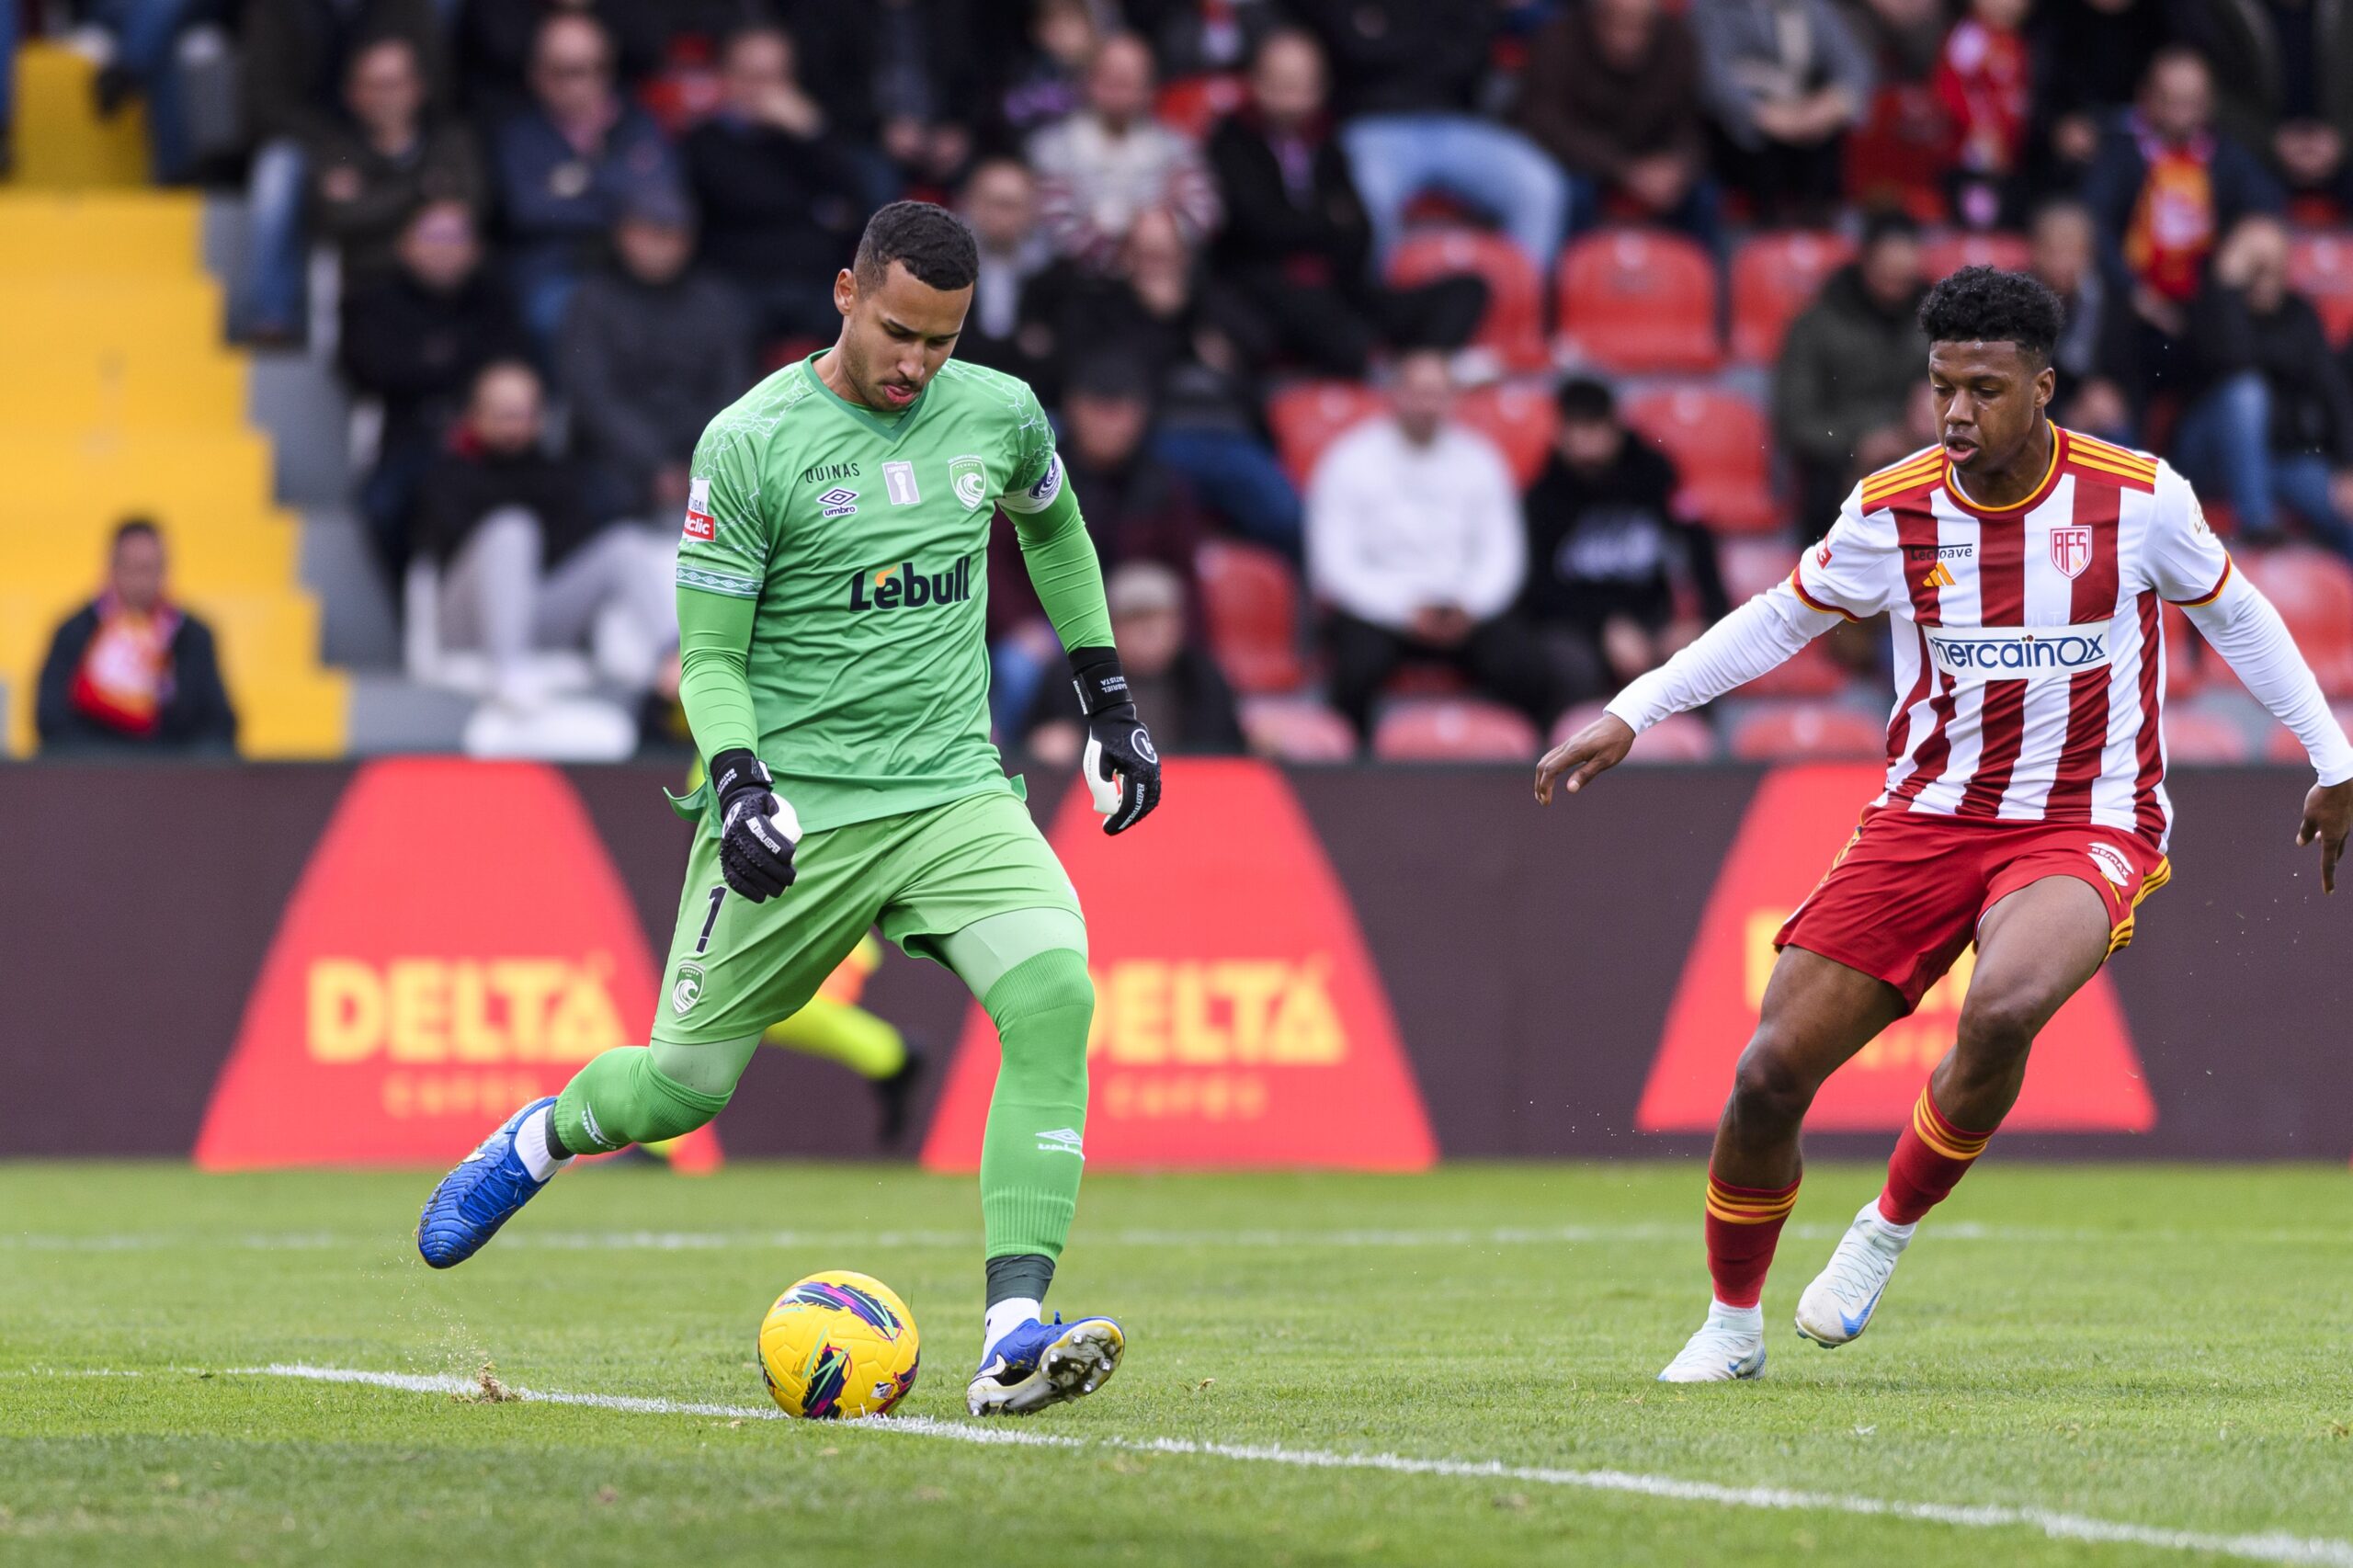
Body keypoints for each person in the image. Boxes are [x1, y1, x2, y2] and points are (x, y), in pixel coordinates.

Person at [1533, 266, 2353, 1383]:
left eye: (1983, 388)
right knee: (1768, 1072)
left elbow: (2239, 615)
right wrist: (1635, 709)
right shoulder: (1892, 507)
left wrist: (2332, 758)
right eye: (1942, 388)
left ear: (2043, 388)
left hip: (2086, 816)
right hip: (1926, 818)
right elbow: (1779, 618)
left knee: (2003, 1004)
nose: (1957, 412)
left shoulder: (2139, 497)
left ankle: (1881, 1232)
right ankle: (1731, 1324)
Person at [415, 202, 1164, 1424]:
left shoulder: (1001, 413)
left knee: (1056, 993)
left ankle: (1015, 1332)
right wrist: (744, 784)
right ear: (844, 294)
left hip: (951, 790)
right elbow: (706, 659)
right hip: (796, 807)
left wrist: (1109, 699)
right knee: (682, 1087)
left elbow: (1057, 528)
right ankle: (542, 1136)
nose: (920, 363)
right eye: (901, 331)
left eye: (944, 338)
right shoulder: (750, 442)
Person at [1306, 348, 1558, 744]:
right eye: (1418, 391)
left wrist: (1469, 604)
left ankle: (1527, 777)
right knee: (1354, 670)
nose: (1427, 404)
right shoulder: (1349, 459)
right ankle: (1353, 781)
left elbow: (1503, 554)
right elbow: (1334, 564)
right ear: (1394, 393)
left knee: (1529, 668)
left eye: (1438, 392)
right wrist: (1404, 609)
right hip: (1379, 607)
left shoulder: (1481, 459)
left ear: (1454, 398)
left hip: (1464, 607)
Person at [1206, 28, 1489, 378]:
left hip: (1339, 288)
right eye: (1280, 83)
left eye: (1301, 84)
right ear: (1256, 82)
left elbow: (1360, 232)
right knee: (1302, 302)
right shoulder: (1229, 142)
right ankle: (1380, 369)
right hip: (1265, 294)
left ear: (1320, 88)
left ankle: (1421, 370)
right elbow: (1258, 229)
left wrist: (1315, 226)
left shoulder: (1329, 143)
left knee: (1468, 290)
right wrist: (1327, 221)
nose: (1291, 97)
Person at [412, 360, 677, 702]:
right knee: (512, 529)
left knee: (623, 545)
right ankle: (507, 674)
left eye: (523, 414)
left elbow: (573, 544)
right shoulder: (448, 474)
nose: (514, 427)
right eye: (503, 414)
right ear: (475, 415)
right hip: (468, 621)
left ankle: (678, 662)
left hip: (537, 618)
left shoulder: (556, 474)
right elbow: (448, 543)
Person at [1293, 0, 1570, 271]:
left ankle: (1520, 305)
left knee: (1538, 187)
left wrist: (1394, 43)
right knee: (1367, 196)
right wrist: (1415, 45)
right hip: (1373, 125)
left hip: (1458, 123)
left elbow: (1471, 57)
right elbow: (1356, 50)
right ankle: (1376, 306)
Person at [340, 200, 532, 572]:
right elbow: (369, 370)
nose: (444, 248)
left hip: (491, 450)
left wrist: (429, 360)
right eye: (432, 236)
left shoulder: (495, 299)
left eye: (455, 237)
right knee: (381, 510)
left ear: (476, 249)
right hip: (410, 442)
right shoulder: (376, 300)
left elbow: (513, 368)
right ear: (404, 244)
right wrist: (454, 363)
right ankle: (396, 618)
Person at [2083, 48, 2282, 404]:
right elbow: (2092, 224)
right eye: (2169, 100)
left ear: (2208, 104)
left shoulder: (2225, 157)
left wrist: (2241, 260)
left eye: (2191, 101)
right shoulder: (2121, 153)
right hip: (2134, 318)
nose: (2180, 113)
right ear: (2146, 97)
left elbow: (2267, 207)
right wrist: (2135, 292)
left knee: (2244, 388)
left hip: (2203, 319)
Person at [555, 184, 753, 528]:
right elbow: (592, 396)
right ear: (622, 234)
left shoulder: (716, 301)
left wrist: (696, 465)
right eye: (650, 233)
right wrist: (654, 466)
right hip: (617, 459)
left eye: (673, 234)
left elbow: (732, 390)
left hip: (703, 455)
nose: (662, 246)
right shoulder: (592, 301)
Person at [1521, 379, 1729, 703]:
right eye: (1578, 431)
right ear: (1561, 434)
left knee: (1692, 664)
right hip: (1574, 624)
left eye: (1596, 429)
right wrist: (1605, 625)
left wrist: (1708, 618)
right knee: (1570, 668)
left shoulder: (1654, 473)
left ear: (1615, 428)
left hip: (1651, 619)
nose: (1587, 444)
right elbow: (1539, 587)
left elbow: (1697, 541)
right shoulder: (1543, 497)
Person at [488, 11, 682, 344]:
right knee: (570, 317)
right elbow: (529, 210)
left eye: (598, 68)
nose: (585, 83)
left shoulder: (638, 124)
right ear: (538, 74)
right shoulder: (519, 135)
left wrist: (580, 183)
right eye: (569, 72)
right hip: (559, 271)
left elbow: (667, 198)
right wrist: (622, 200)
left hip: (641, 271)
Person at [2174, 215, 2353, 560]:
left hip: (2278, 460)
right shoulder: (2210, 307)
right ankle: (2257, 524)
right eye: (2255, 266)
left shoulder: (2299, 313)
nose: (2266, 278)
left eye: (2274, 266)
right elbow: (2232, 357)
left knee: (2343, 506)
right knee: (2246, 391)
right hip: (2208, 458)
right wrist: (2226, 288)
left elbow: (2333, 390)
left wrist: (2347, 466)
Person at [680, 22, 870, 345]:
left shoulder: (811, 137)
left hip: (813, 278)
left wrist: (813, 134)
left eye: (777, 77)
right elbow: (738, 198)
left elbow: (858, 204)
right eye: (753, 77)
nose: (766, 90)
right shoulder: (705, 140)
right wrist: (808, 205)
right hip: (738, 281)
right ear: (726, 78)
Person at [1774, 210, 1929, 538]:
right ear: (1866, 262)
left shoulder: (1936, 324)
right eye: (1888, 274)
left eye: (1904, 278)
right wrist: (1859, 443)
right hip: (1839, 463)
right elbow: (1796, 421)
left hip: (1923, 452)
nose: (1896, 288)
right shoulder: (1815, 325)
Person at [1518, 0, 1720, 249]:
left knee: (1704, 196)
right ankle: (1567, 282)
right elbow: (1545, 123)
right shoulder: (1558, 38)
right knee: (1574, 193)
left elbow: (1689, 123)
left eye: (1638, 28)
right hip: (1582, 159)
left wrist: (1679, 165)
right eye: (1616, 25)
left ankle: (1699, 284)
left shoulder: (1679, 43)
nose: (1627, 40)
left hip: (1650, 157)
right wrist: (1623, 169)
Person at [36, 518, 237, 755]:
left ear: (165, 571)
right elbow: (49, 718)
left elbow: (221, 722)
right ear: (112, 569)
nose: (141, 582)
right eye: (132, 568)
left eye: (149, 569)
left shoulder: (192, 636)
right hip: (96, 770)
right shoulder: (75, 631)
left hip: (170, 771)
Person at [302, 35, 486, 289]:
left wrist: (379, 201)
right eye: (374, 85)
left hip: (458, 286)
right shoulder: (335, 150)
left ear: (420, 87)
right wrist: (420, 191)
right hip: (373, 285)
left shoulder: (451, 141)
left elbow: (473, 205)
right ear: (352, 93)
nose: (385, 97)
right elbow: (338, 219)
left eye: (394, 84)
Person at [1027, 31, 1220, 271]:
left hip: (1162, 275)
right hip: (1078, 283)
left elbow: (1203, 213)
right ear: (1088, 81)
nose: (1118, 88)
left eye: (1128, 80)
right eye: (1109, 78)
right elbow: (1055, 226)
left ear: (1149, 88)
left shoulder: (1178, 148)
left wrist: (1156, 233)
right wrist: (1122, 255)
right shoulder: (1050, 148)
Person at [1021, 561, 1244, 764]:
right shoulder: (1070, 676)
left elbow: (1229, 748)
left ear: (1179, 625)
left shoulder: (1202, 677)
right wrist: (1045, 745)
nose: (1149, 631)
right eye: (1135, 619)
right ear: (1108, 627)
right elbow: (1030, 743)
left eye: (1159, 618)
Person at [1690, 0, 1874, 224]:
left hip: (1810, 137)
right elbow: (1711, 78)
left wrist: (1827, 107)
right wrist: (1766, 116)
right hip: (1744, 146)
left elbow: (1855, 67)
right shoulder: (1713, 9)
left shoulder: (1812, 7)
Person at [957, 157, 1053, 378]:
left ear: (1032, 211)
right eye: (993, 203)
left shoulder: (1053, 276)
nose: (1001, 216)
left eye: (1011, 205)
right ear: (969, 204)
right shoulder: (943, 270)